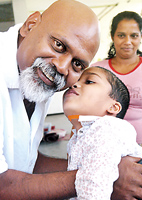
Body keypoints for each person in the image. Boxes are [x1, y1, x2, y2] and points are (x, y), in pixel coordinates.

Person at [0, 0, 100, 199]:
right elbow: (2, 186)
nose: (62, 67)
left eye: (77, 64)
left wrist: (104, 164)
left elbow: (26, 161)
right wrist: (98, 176)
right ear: (31, 25)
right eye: (59, 45)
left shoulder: (35, 71)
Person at [63, 66, 142, 200]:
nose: (74, 84)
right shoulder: (79, 137)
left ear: (113, 107)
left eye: (89, 81)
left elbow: (94, 182)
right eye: (76, 80)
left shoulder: (107, 128)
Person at [91, 11, 142, 200]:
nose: (127, 41)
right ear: (112, 36)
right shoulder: (98, 70)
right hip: (106, 155)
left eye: (134, 35)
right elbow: (83, 110)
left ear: (140, 37)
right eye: (121, 35)